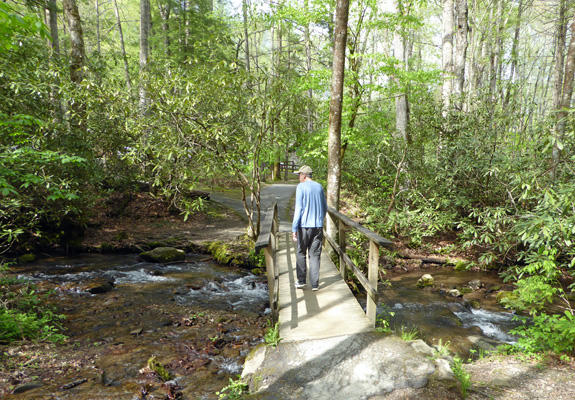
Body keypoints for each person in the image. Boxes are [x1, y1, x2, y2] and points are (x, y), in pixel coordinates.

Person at [291, 165, 327, 291]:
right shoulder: (319, 186)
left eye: (299, 175)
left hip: (304, 226)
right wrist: (320, 220)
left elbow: (299, 209)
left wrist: (294, 228)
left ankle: (301, 281)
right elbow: (324, 207)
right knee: (315, 254)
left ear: (304, 175)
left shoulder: (301, 187)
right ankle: (315, 284)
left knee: (301, 252)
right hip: (317, 226)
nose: (298, 178)